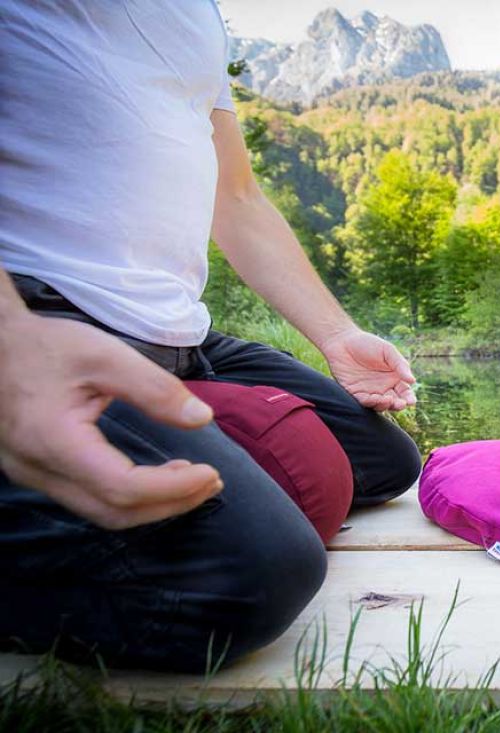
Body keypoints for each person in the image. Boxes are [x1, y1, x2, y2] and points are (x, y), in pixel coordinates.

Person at [0, 2, 421, 671]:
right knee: (258, 578)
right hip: (43, 326)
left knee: (388, 461)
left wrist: (338, 335)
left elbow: (240, 199)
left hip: (180, 339)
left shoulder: (198, 11)